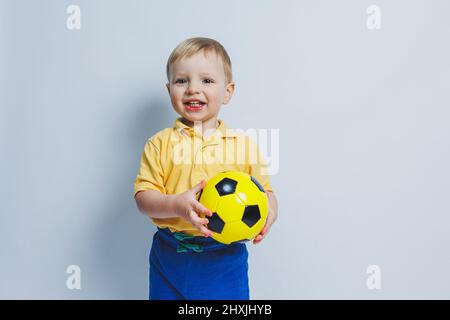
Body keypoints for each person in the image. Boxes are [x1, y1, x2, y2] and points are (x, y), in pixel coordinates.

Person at [134, 37, 278, 300]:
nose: (192, 89)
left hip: (222, 257)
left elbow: (266, 192)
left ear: (228, 92)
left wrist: (270, 212)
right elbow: (144, 199)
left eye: (207, 81)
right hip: (169, 253)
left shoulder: (242, 146)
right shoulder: (159, 144)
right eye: (181, 81)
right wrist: (176, 204)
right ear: (169, 91)